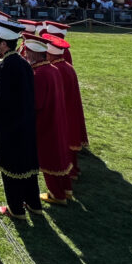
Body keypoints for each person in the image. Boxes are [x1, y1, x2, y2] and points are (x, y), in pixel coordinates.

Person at [0, 18, 42, 220]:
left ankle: (16, 208)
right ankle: (34, 203)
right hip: (26, 123)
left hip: (10, 127)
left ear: (3, 43)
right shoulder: (25, 64)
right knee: (27, 166)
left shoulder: (5, 66)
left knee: (11, 168)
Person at [23, 32, 72, 205]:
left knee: (48, 157)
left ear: (34, 54)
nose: (25, 54)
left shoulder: (39, 74)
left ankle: (56, 194)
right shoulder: (52, 69)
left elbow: (36, 103)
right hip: (56, 117)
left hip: (45, 122)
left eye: (27, 51)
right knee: (58, 154)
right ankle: (66, 189)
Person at [42, 32, 89, 180]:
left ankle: (69, 172)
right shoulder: (66, 66)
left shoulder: (57, 69)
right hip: (70, 109)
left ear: (50, 54)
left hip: (64, 111)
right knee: (70, 141)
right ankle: (73, 169)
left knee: (64, 142)